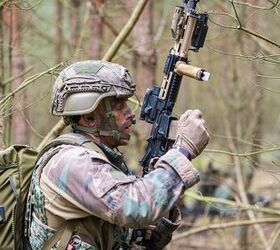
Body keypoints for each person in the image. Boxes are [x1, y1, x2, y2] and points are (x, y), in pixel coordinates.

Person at [25, 60, 209, 250]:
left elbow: (139, 240)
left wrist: (161, 207)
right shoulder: (72, 162)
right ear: (89, 118)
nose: (130, 113)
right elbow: (136, 207)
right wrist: (182, 151)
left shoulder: (105, 161)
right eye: (118, 104)